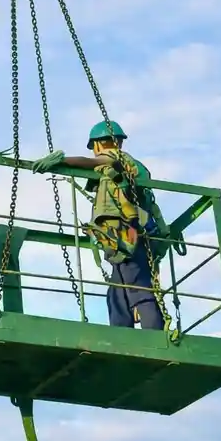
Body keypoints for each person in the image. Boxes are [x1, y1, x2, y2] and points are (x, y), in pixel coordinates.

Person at [33, 120, 167, 331]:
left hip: (128, 232)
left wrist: (63, 161)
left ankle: (155, 335)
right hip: (127, 233)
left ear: (98, 144)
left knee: (137, 286)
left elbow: (94, 162)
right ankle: (121, 333)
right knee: (117, 293)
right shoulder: (134, 166)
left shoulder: (117, 158)